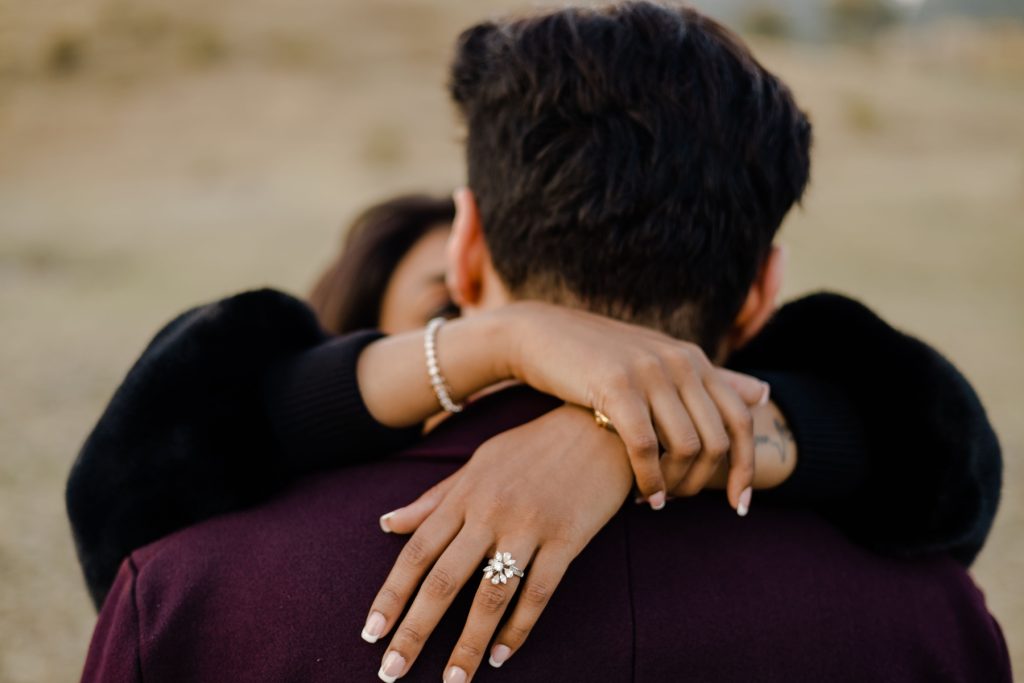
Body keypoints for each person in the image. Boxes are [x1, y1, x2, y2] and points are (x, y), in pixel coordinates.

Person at [75, 4, 1009, 681]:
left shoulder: (192, 592)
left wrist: (565, 397)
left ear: (467, 245)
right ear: (763, 286)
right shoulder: (928, 618)